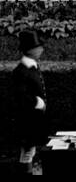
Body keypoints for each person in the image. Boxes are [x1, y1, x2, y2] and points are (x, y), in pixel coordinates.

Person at [11, 29, 48, 174]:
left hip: (33, 119)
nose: (41, 50)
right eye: (38, 47)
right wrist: (38, 102)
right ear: (30, 50)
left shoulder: (32, 67)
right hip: (25, 119)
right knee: (26, 152)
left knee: (30, 151)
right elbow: (21, 96)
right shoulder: (21, 71)